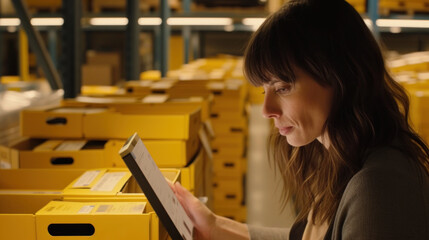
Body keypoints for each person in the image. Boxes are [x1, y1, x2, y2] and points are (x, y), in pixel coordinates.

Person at [170, 0, 429, 239]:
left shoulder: (378, 189)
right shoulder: (342, 160)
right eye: (264, 91)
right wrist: (215, 226)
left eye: (282, 88)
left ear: (341, 77)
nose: (266, 110)